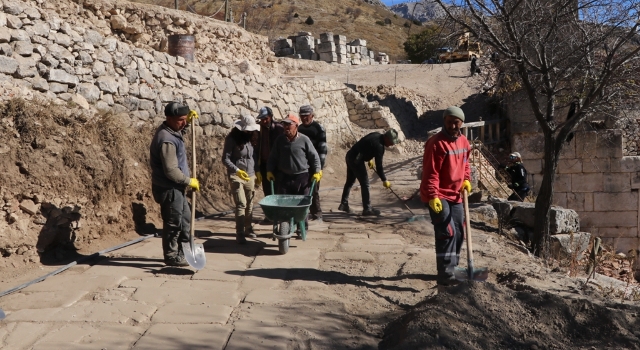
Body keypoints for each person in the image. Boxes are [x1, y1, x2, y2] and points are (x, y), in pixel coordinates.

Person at [420, 106, 472, 286]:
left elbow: (466, 164)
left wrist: (466, 180)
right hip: (438, 194)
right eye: (448, 122)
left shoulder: (464, 142)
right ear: (444, 121)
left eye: (455, 122)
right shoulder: (436, 143)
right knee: (446, 232)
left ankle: (454, 268)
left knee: (458, 232)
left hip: (456, 194)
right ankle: (445, 274)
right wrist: (433, 195)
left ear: (461, 123)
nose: (451, 126)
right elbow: (430, 173)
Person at [149, 102, 200, 267]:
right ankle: (171, 256)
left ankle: (183, 252)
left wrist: (188, 124)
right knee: (174, 223)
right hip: (169, 188)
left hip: (177, 188)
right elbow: (171, 171)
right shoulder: (166, 140)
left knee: (185, 220)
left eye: (185, 119)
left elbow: (179, 130)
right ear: (169, 118)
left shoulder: (173, 131)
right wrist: (188, 181)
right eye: (181, 120)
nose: (183, 123)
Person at [267, 114, 322, 230]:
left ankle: (302, 227)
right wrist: (269, 171)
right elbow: (272, 157)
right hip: (284, 177)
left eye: (289, 124)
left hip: (302, 177)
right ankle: (284, 226)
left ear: (296, 125)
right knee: (283, 205)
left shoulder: (304, 139)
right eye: (284, 124)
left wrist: (317, 171)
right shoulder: (280, 140)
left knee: (302, 205)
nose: (286, 127)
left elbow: (314, 157)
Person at [338, 129, 400, 216]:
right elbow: (379, 167)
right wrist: (384, 180)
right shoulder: (379, 147)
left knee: (350, 181)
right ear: (386, 137)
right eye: (391, 141)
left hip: (350, 155)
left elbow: (366, 145)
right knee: (365, 184)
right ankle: (367, 209)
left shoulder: (376, 134)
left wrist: (369, 158)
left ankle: (343, 204)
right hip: (356, 160)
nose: (392, 144)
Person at [223, 115, 260, 244]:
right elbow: (225, 159)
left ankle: (248, 227)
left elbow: (253, 156)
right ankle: (239, 232)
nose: (250, 132)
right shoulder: (232, 139)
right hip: (236, 175)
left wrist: (258, 172)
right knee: (241, 203)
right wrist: (237, 170)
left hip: (250, 174)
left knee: (250, 202)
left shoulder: (252, 137)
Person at [297, 105, 328, 222]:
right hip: (301, 165)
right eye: (302, 116)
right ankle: (305, 213)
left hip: (314, 165)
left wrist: (319, 168)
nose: (304, 118)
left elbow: (323, 149)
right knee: (302, 190)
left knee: (314, 190)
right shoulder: (299, 129)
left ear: (312, 116)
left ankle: (317, 213)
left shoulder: (319, 128)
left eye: (307, 116)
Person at [256, 107, 284, 198]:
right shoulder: (257, 129)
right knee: (267, 191)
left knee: (278, 190)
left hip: (277, 165)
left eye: (266, 118)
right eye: (262, 119)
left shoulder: (279, 128)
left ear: (271, 117)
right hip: (263, 164)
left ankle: (279, 211)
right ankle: (271, 211)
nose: (264, 121)